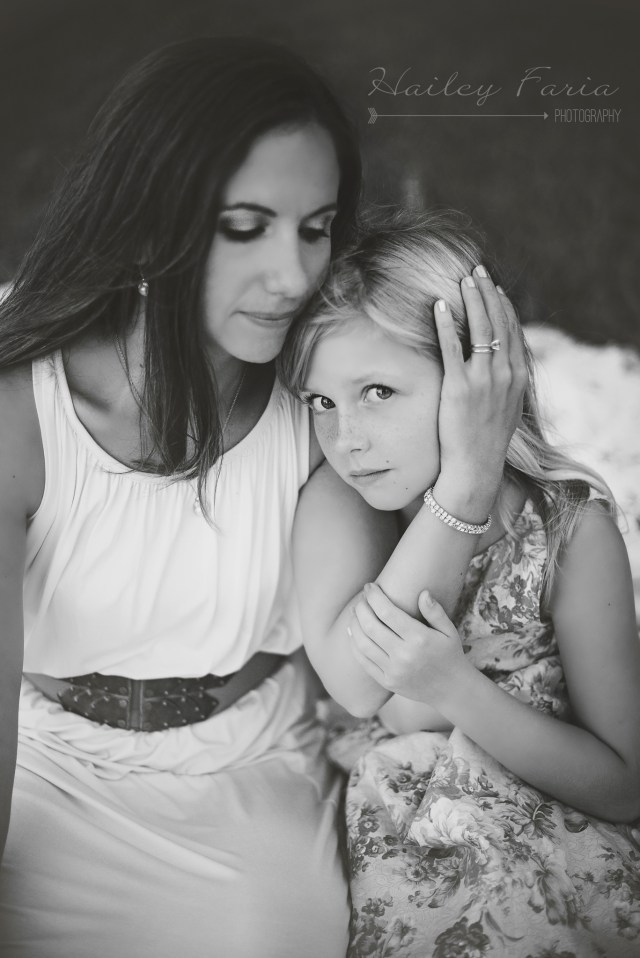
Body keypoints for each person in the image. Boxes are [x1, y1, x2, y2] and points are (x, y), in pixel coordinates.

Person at [0, 40, 523, 957]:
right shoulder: (22, 414)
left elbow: (363, 673)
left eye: (315, 228)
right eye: (245, 227)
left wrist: (470, 478)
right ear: (148, 222)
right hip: (46, 767)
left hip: (249, 768)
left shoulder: (322, 402)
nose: (294, 276)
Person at [281, 213, 640, 958]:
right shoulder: (344, 505)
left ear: (480, 378)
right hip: (404, 837)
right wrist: (466, 484)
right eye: (321, 401)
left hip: (558, 836)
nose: (346, 439)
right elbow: (364, 687)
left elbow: (624, 785)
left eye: (378, 391)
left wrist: (455, 689)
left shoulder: (570, 536)